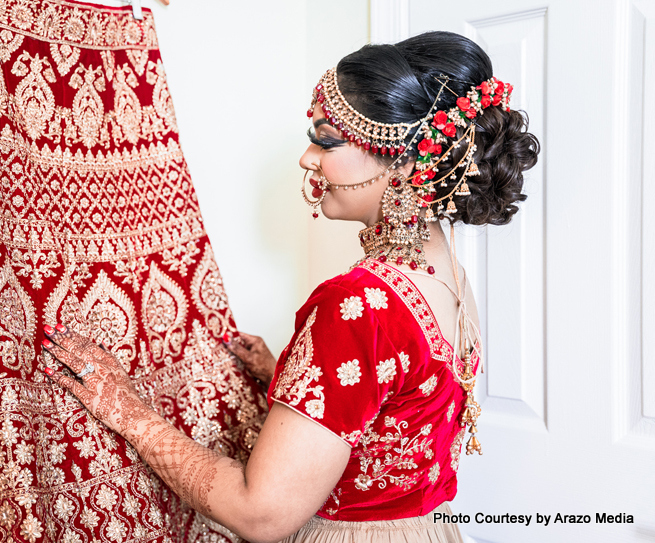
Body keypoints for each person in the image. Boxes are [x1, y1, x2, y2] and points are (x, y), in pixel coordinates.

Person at [41, 31, 539, 543]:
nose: (307, 157)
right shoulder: (447, 273)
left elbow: (261, 513)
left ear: (408, 162)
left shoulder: (358, 303)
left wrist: (125, 408)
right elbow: (398, 403)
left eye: (326, 139)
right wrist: (285, 373)